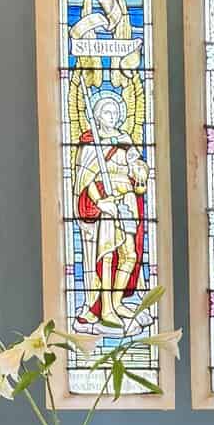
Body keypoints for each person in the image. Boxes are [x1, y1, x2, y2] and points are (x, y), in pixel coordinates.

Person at [72, 91, 149, 330]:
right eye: (107, 111)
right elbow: (85, 178)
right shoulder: (89, 141)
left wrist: (140, 171)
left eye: (116, 112)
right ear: (96, 116)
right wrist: (99, 202)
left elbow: (138, 165)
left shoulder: (124, 138)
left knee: (129, 255)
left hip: (127, 201)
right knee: (106, 255)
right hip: (108, 202)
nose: (112, 116)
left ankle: (116, 302)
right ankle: (104, 307)